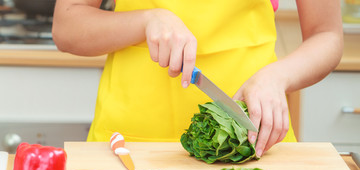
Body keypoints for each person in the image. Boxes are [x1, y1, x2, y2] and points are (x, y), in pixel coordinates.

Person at [52, 0, 343, 157]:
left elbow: (326, 35)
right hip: (130, 148)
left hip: (251, 139)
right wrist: (146, 20)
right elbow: (67, 25)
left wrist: (277, 77)